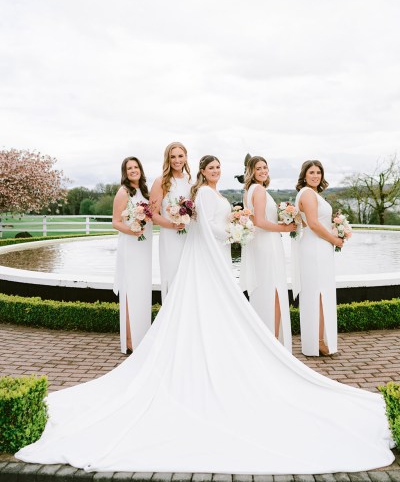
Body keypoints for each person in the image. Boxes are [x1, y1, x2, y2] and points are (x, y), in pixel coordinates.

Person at [16, 156, 393, 474]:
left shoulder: (207, 193)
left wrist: (234, 224)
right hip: (209, 254)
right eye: (210, 167)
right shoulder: (202, 194)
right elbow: (208, 226)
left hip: (213, 254)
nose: (214, 171)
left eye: (217, 167)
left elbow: (208, 224)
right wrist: (235, 225)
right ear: (203, 171)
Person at [240, 156, 295, 351]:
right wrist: (285, 227)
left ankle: (265, 342)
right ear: (251, 171)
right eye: (258, 168)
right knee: (274, 291)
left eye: (265, 167)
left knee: (264, 290)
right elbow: (260, 222)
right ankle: (272, 342)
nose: (263, 171)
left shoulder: (249, 190)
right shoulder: (260, 190)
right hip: (267, 245)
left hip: (260, 244)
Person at [292, 160, 343, 357]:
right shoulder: (306, 193)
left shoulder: (313, 194)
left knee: (321, 292)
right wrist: (334, 239)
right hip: (315, 247)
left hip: (320, 246)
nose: (315, 175)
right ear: (304, 175)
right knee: (317, 294)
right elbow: (312, 223)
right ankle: (317, 342)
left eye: (318, 172)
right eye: (311, 172)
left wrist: (338, 232)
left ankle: (320, 339)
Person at [112, 156, 152, 354]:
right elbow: (116, 221)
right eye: (129, 168)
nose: (133, 170)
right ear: (125, 172)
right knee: (130, 291)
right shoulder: (124, 191)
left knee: (142, 290)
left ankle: (142, 336)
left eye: (136, 167)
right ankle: (130, 340)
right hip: (131, 244)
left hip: (144, 247)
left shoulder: (145, 191)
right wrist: (132, 230)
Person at [150, 142, 192, 300]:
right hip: (170, 237)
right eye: (172, 156)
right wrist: (172, 224)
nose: (177, 160)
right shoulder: (161, 181)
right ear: (167, 159)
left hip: (190, 236)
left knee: (189, 276)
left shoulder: (191, 181)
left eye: (180, 156)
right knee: (173, 274)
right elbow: (153, 214)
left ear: (186, 158)